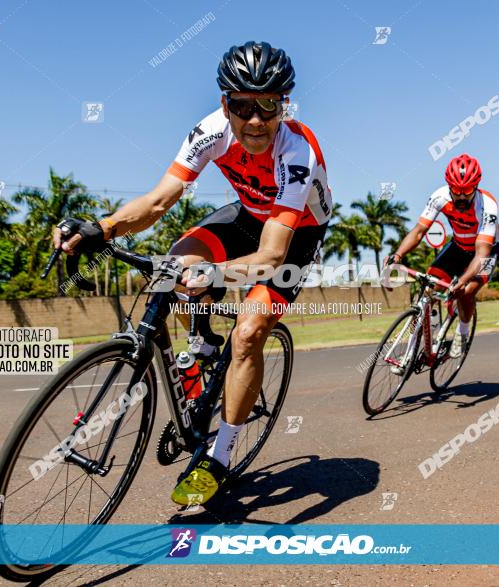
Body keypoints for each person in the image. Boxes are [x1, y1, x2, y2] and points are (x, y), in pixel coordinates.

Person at [53, 41, 331, 505]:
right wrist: (101, 228)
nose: (256, 119)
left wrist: (217, 275)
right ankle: (200, 352)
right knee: (169, 270)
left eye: (269, 104)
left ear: (284, 103)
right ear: (226, 104)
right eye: (243, 105)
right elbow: (159, 201)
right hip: (245, 214)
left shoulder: (296, 151)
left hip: (293, 233)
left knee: (248, 332)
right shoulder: (210, 130)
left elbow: (271, 256)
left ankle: (218, 457)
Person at [385, 154, 499, 358]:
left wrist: (463, 280)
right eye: (457, 191)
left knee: (466, 291)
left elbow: (482, 251)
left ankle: (462, 332)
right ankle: (412, 349)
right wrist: (397, 254)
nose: (462, 197)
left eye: (467, 191)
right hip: (458, 245)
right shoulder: (440, 196)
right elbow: (419, 231)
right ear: (449, 186)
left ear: (476, 186)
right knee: (428, 290)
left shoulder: (487, 205)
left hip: (486, 253)